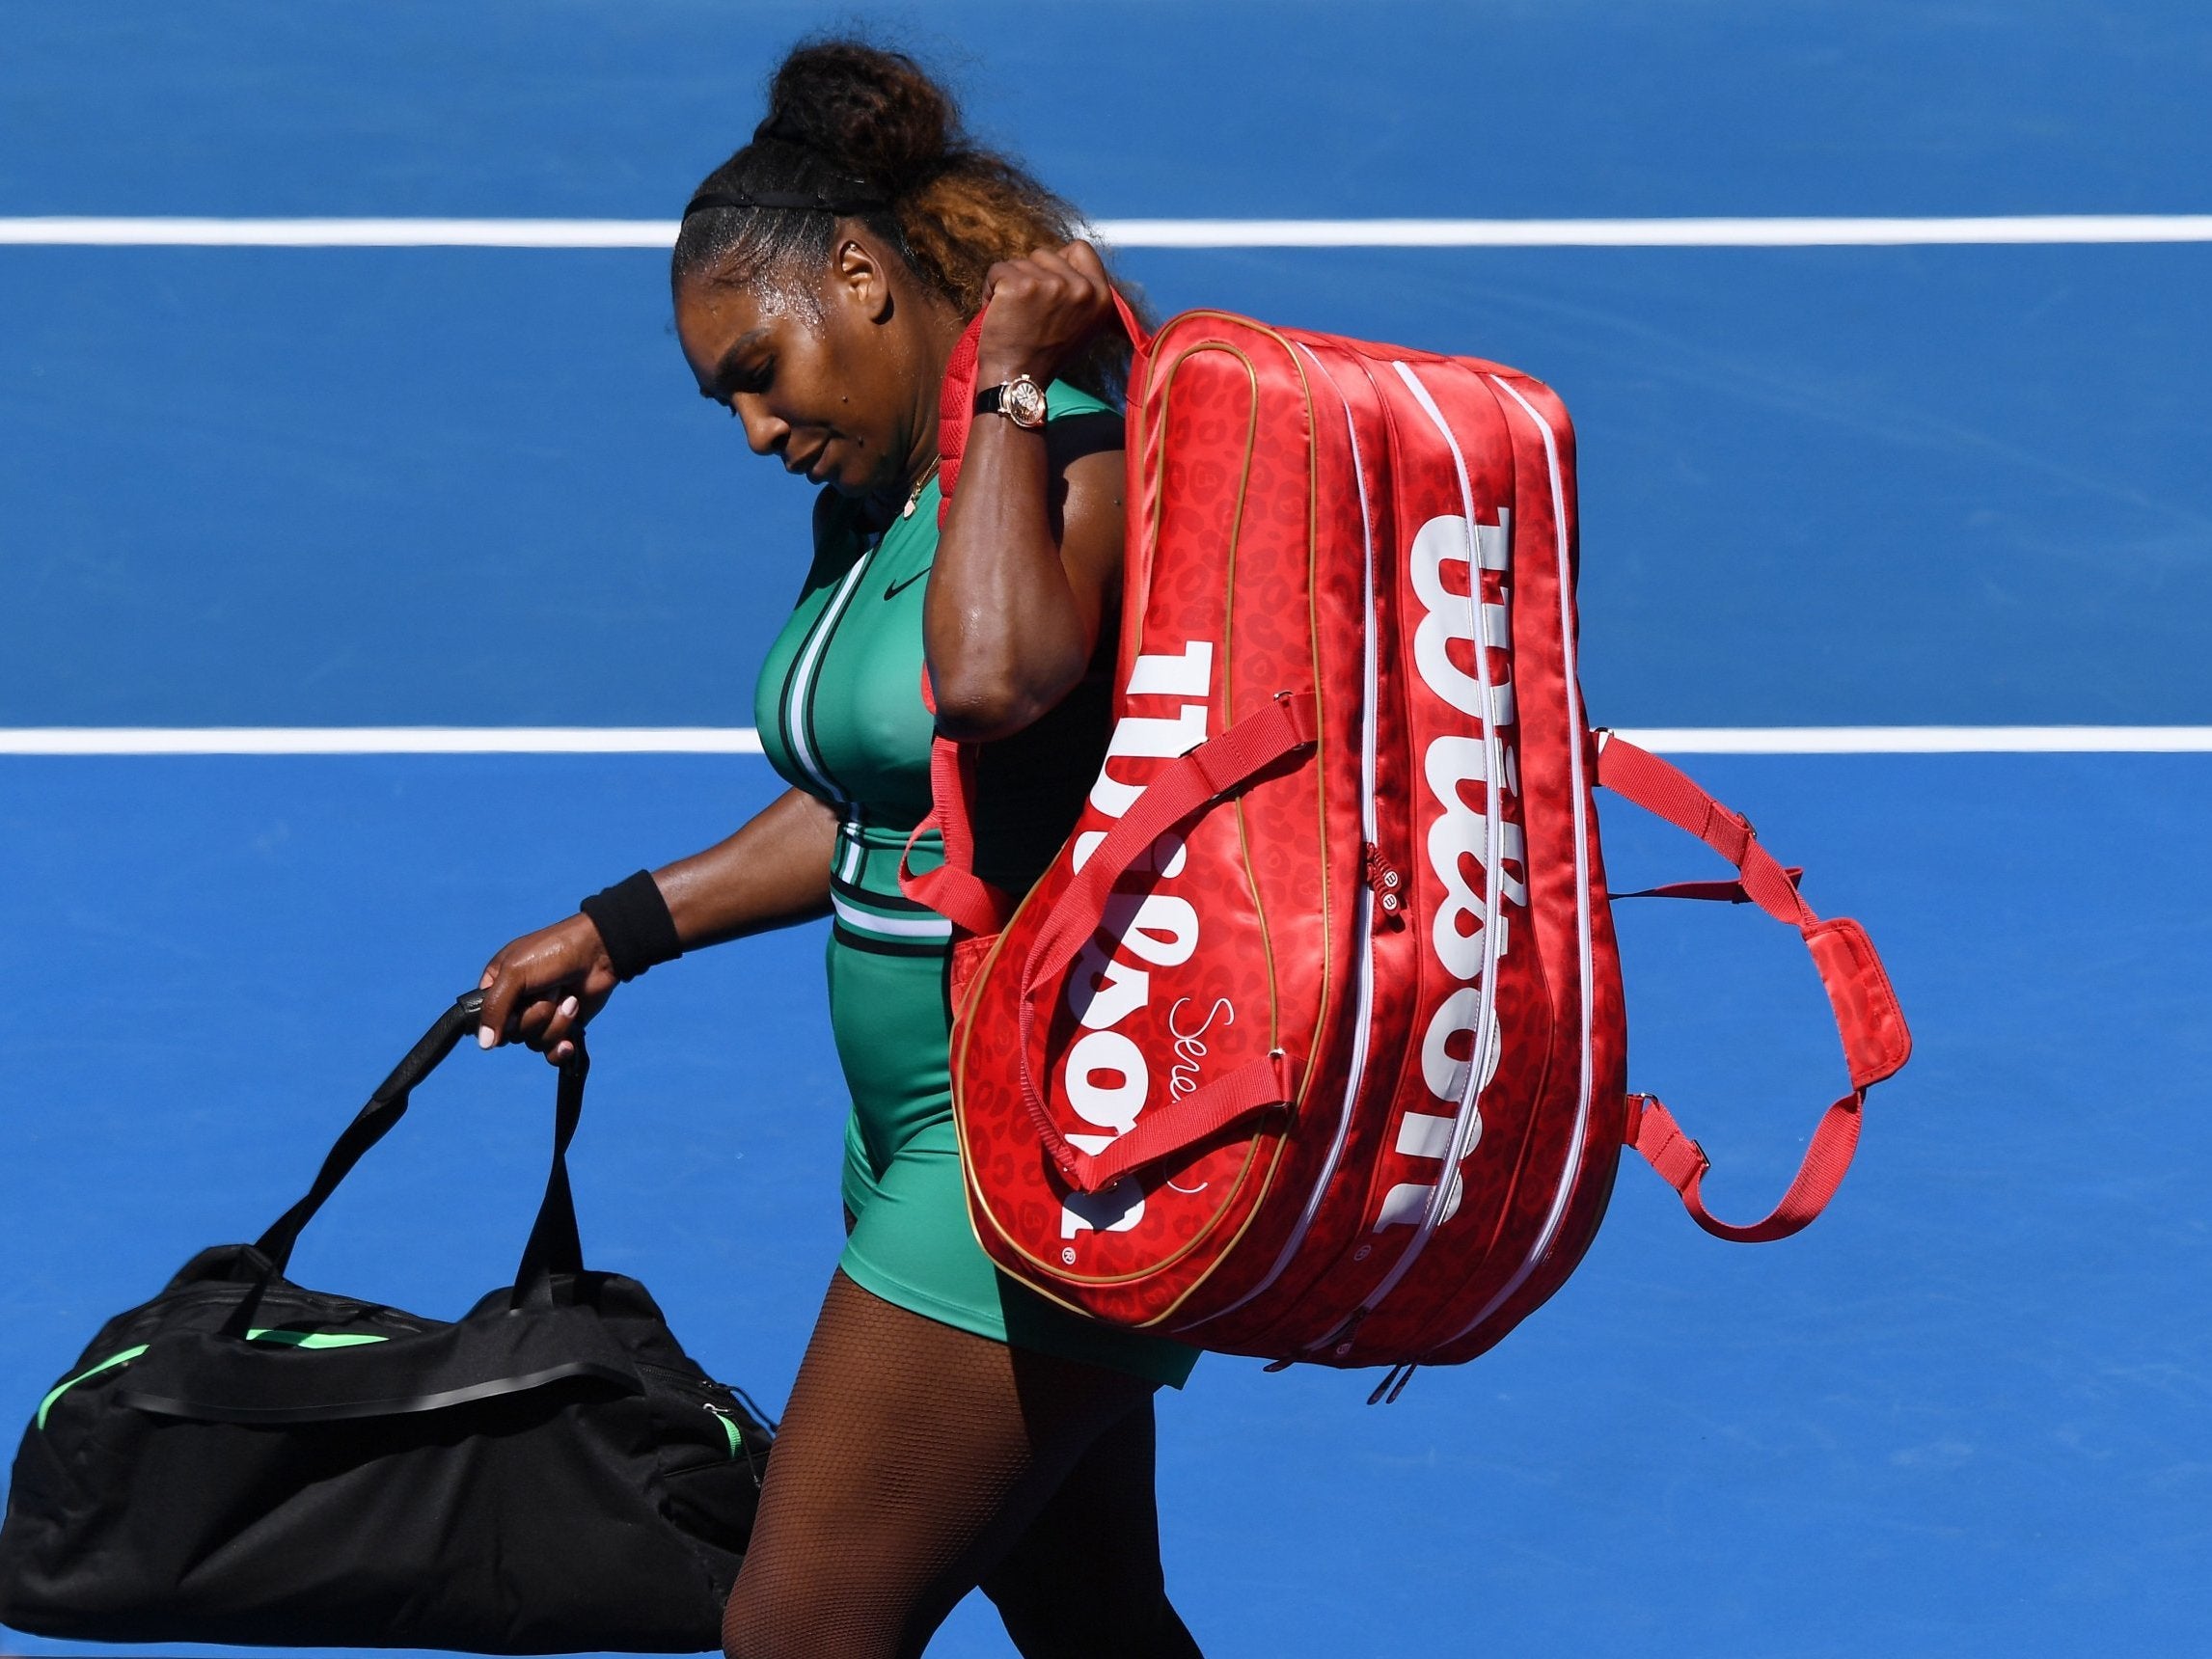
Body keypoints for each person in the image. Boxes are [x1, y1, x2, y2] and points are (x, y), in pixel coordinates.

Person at [472, 38, 1205, 1659]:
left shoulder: (1061, 452)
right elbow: (887, 795)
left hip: (1037, 1137)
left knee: (795, 1632)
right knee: (1088, 1610)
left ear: (864, 277)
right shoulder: (876, 502)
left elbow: (999, 681)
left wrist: (1013, 371)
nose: (748, 427)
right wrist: (622, 926)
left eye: (757, 367)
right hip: (908, 1129)